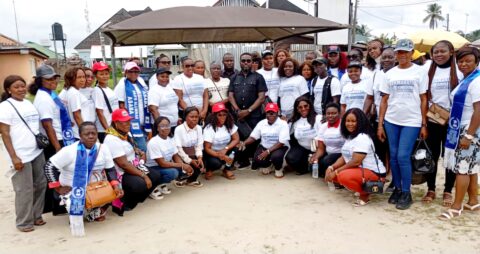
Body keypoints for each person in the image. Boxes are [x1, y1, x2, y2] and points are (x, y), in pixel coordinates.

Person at [44, 122, 123, 236]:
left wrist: (115, 185)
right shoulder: (69, 150)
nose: (91, 136)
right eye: (87, 134)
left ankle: (95, 209)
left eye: (94, 133)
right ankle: (78, 210)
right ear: (80, 136)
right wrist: (58, 188)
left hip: (95, 187)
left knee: (117, 190)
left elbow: (110, 169)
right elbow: (49, 166)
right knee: (75, 208)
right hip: (73, 187)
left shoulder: (103, 148)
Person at [378, 39, 428, 210]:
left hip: (411, 121)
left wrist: (423, 123)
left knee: (402, 156)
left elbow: (423, 98)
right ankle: (397, 188)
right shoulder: (389, 74)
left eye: (406, 52)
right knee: (393, 156)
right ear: (395, 54)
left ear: (412, 53)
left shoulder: (420, 72)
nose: (402, 55)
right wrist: (380, 124)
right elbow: (384, 100)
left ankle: (407, 192)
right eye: (399, 52)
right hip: (392, 120)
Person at [0, 75, 47, 232]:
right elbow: (5, 133)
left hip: (36, 151)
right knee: (24, 189)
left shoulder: (28, 103)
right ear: (9, 90)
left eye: (22, 86)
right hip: (20, 154)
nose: (21, 89)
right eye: (16, 87)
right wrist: (14, 157)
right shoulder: (5, 107)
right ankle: (24, 222)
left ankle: (36, 215)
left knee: (40, 184)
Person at [439, 46, 480, 220]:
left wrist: (469, 135)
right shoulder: (466, 80)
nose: (463, 64)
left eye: (468, 61)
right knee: (471, 168)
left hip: (469, 129)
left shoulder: (476, 81)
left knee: (461, 169)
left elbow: (479, 110)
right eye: (460, 61)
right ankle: (473, 201)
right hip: (463, 127)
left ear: (476, 62)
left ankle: (456, 207)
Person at [30, 64, 73, 215]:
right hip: (55, 141)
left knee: (58, 172)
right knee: (54, 172)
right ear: (40, 81)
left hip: (61, 137)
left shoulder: (50, 94)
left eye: (54, 77)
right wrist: (57, 147)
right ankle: (56, 205)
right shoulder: (43, 98)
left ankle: (53, 204)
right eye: (48, 79)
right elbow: (47, 125)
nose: (53, 81)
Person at [423, 40, 462, 206]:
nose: (438, 55)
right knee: (432, 155)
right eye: (435, 52)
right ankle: (431, 188)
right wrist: (423, 122)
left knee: (449, 156)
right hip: (433, 119)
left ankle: (447, 190)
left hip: (453, 121)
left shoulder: (459, 70)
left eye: (442, 51)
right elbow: (423, 96)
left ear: (451, 52)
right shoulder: (427, 69)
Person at [103, 109, 162, 215]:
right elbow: (123, 164)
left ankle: (137, 199)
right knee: (140, 183)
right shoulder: (111, 139)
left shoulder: (125, 133)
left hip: (133, 164)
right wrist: (143, 176)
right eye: (124, 122)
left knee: (156, 176)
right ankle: (125, 203)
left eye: (129, 121)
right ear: (116, 123)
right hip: (121, 172)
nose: (128, 124)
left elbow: (132, 148)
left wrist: (139, 152)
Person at [325, 108, 386, 206]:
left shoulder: (362, 137)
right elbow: (344, 157)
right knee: (333, 174)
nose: (350, 124)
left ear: (360, 122)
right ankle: (362, 187)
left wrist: (337, 171)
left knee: (342, 175)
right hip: (361, 171)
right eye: (347, 121)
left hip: (375, 173)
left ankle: (365, 195)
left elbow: (356, 161)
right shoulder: (350, 136)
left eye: (353, 121)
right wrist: (331, 167)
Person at [363, 47, 396, 191]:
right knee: (380, 151)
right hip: (379, 120)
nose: (387, 60)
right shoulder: (375, 75)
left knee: (394, 152)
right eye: (384, 57)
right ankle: (380, 179)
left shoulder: (398, 74)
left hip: (396, 119)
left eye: (390, 57)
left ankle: (396, 181)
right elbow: (369, 97)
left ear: (395, 58)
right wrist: (363, 117)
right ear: (380, 59)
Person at [228, 52, 268, 168]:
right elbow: (230, 96)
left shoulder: (258, 77)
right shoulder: (234, 77)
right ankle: (243, 160)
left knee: (254, 137)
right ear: (240, 62)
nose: (246, 62)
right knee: (240, 137)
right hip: (239, 115)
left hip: (254, 114)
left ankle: (256, 160)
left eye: (248, 61)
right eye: (243, 60)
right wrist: (237, 110)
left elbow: (261, 97)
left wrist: (248, 111)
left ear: (252, 63)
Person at [145, 117, 193, 198]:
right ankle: (153, 187)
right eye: (162, 126)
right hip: (152, 168)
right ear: (157, 128)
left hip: (163, 166)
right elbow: (162, 163)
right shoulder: (153, 142)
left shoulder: (170, 139)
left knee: (183, 170)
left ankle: (161, 184)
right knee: (173, 173)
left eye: (168, 125)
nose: (166, 128)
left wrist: (183, 166)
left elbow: (175, 155)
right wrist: (182, 165)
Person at [239, 103, 290, 178]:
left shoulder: (283, 124)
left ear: (277, 113)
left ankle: (279, 168)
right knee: (257, 158)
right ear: (266, 113)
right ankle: (268, 165)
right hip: (265, 146)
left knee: (276, 157)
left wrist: (268, 151)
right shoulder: (261, 123)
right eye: (268, 113)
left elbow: (281, 142)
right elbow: (253, 137)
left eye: (273, 113)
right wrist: (244, 143)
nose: (270, 115)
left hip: (280, 147)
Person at [114, 61, 151, 152]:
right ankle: (140, 165)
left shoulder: (141, 82)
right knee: (142, 148)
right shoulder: (122, 84)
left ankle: (140, 164)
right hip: (132, 123)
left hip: (144, 122)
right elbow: (120, 105)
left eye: (136, 71)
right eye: (131, 71)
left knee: (141, 149)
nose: (134, 74)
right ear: (126, 72)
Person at [203, 102, 239, 180]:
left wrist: (225, 149)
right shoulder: (209, 128)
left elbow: (236, 139)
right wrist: (221, 155)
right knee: (216, 163)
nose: (222, 117)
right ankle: (209, 169)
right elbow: (207, 148)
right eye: (219, 115)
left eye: (224, 114)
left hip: (225, 150)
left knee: (237, 148)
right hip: (212, 153)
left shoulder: (230, 124)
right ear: (214, 116)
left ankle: (226, 169)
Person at [285, 96, 321, 175]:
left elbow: (323, 138)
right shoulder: (294, 121)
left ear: (310, 106)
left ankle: (312, 165)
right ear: (297, 109)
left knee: (320, 169)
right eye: (300, 107)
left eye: (306, 106)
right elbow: (285, 136)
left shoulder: (318, 118)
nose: (303, 109)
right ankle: (304, 168)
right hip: (303, 148)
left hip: (318, 149)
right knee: (291, 158)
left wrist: (317, 152)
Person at [310, 102, 344, 178]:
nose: (330, 116)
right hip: (328, 154)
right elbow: (321, 148)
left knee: (326, 161)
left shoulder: (343, 125)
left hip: (342, 155)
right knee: (313, 165)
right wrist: (316, 157)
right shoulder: (323, 127)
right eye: (328, 113)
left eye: (334, 113)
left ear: (339, 114)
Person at [174, 107, 205, 187]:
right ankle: (179, 178)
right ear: (185, 117)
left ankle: (191, 180)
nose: (194, 119)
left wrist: (199, 157)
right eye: (191, 117)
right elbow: (178, 148)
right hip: (181, 154)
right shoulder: (179, 129)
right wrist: (189, 160)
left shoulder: (199, 128)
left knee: (199, 164)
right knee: (184, 165)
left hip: (192, 152)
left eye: (196, 117)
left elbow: (199, 145)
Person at [171, 58, 209, 122]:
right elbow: (179, 99)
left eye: (192, 65)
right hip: (186, 113)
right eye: (187, 66)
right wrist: (192, 113)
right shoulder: (178, 79)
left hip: (201, 112)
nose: (190, 67)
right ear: (182, 67)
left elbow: (205, 96)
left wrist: (204, 111)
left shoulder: (200, 78)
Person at [92, 62, 119, 143]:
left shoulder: (109, 89)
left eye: (106, 74)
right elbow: (99, 112)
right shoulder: (97, 90)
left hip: (113, 127)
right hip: (104, 130)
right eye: (101, 74)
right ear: (96, 75)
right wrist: (108, 130)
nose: (105, 76)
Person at [64, 67, 93, 139]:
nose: (83, 80)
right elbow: (77, 115)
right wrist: (86, 133)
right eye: (79, 77)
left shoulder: (72, 91)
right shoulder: (74, 93)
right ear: (71, 79)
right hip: (79, 133)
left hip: (78, 131)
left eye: (83, 77)